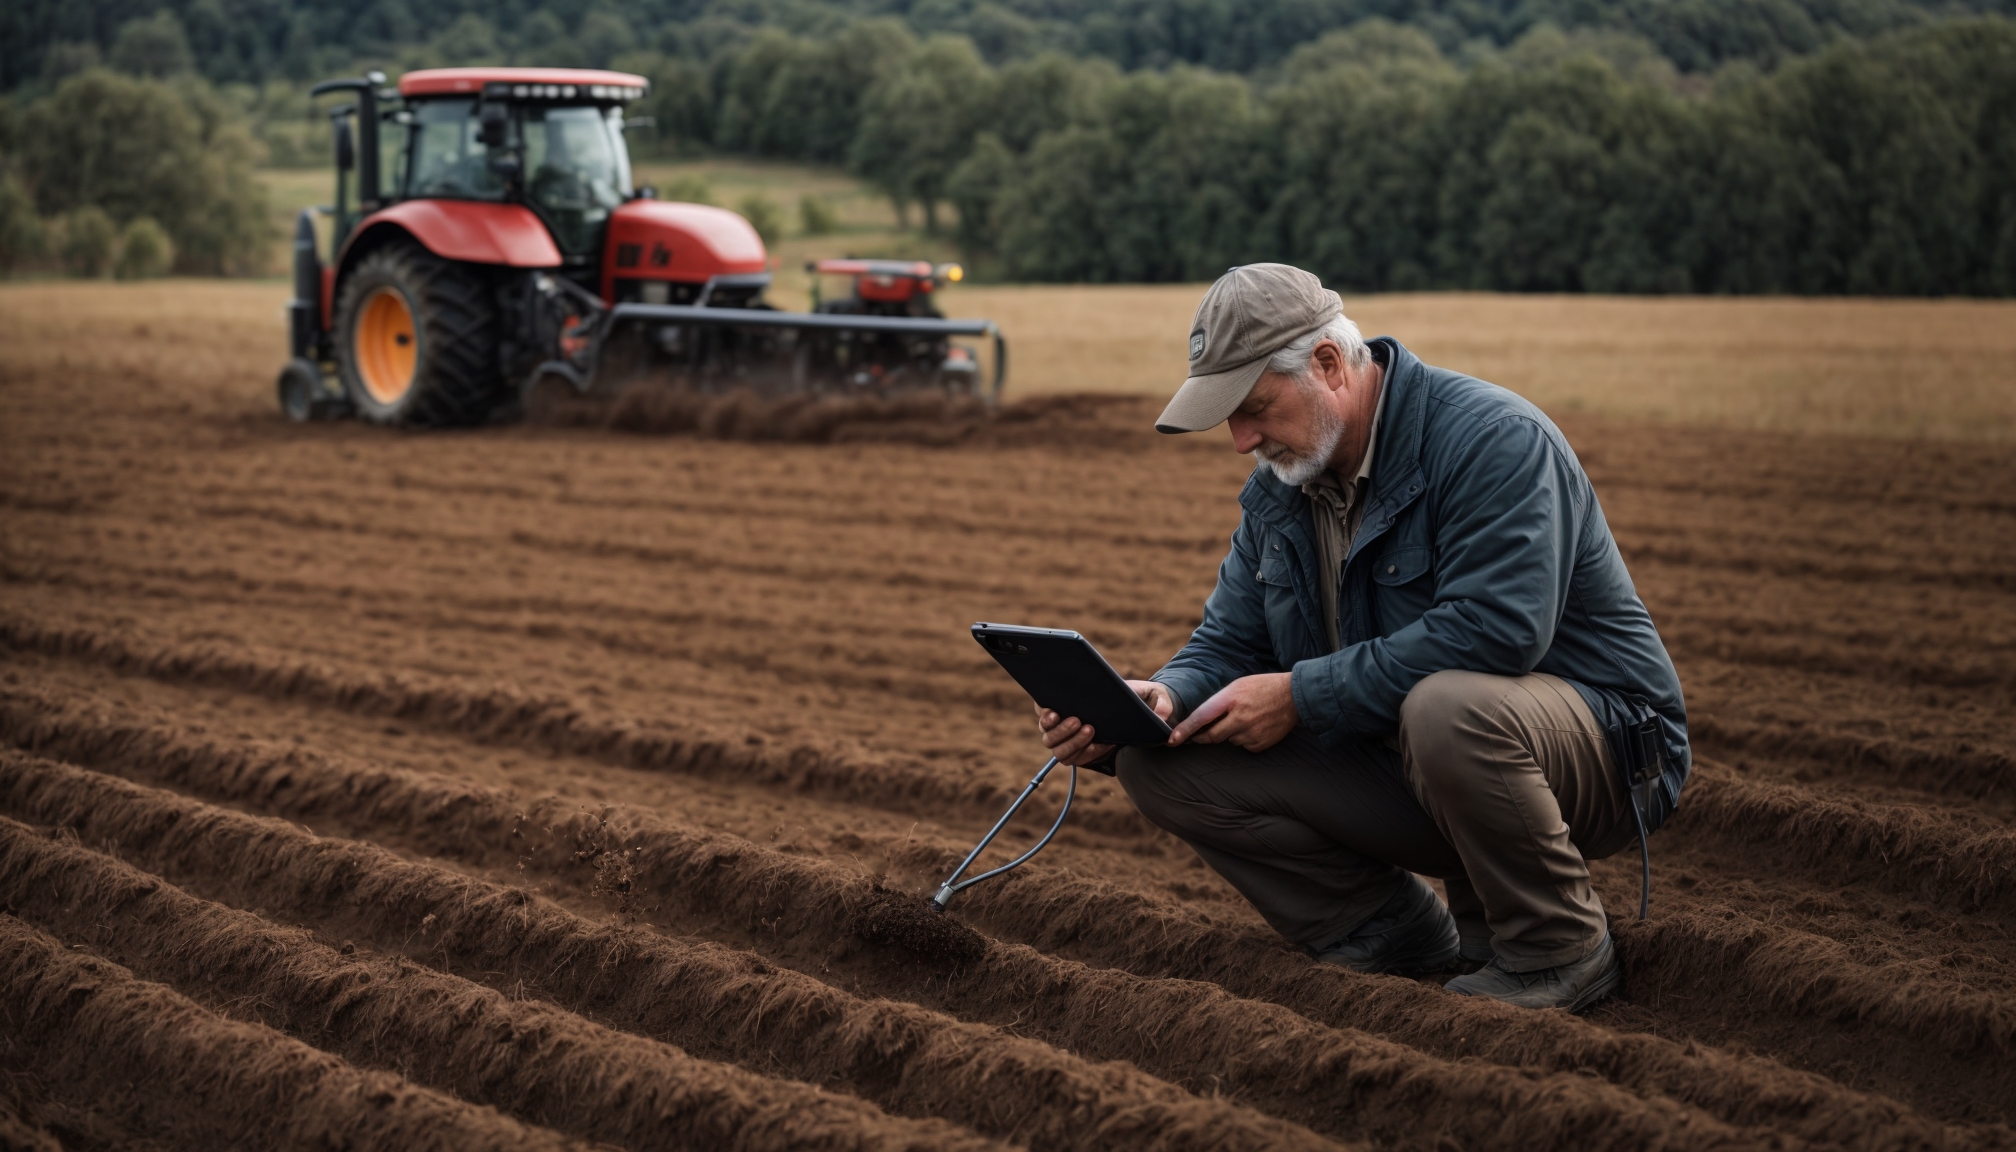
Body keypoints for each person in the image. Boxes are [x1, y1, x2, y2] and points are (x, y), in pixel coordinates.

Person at [1036, 264, 1689, 1011]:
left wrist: (1300, 694)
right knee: (1160, 763)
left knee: (1446, 708)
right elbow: (1230, 640)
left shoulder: (1493, 441)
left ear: (1327, 365)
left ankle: (1557, 948)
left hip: (1605, 754)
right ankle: (1389, 935)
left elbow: (1498, 632)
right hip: (1417, 756)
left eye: (1254, 407)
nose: (1240, 439)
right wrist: (1164, 695)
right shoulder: (1282, 487)